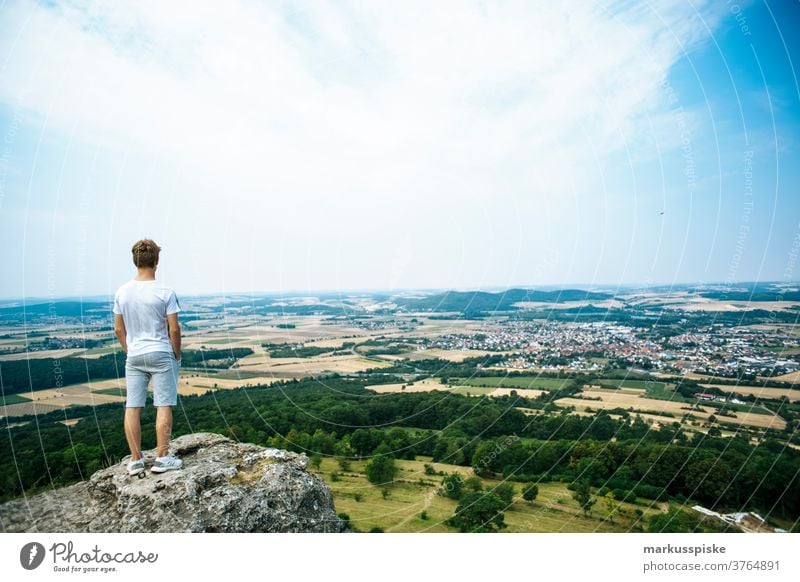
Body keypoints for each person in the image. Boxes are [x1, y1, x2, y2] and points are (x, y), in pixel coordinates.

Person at [113, 239, 184, 475]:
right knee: (163, 404)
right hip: (161, 352)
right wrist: (176, 353)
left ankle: (135, 460)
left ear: (135, 261)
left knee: (133, 407)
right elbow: (174, 329)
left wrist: (128, 349)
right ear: (157, 261)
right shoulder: (165, 291)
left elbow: (118, 329)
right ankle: (162, 457)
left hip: (134, 355)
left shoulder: (122, 292)